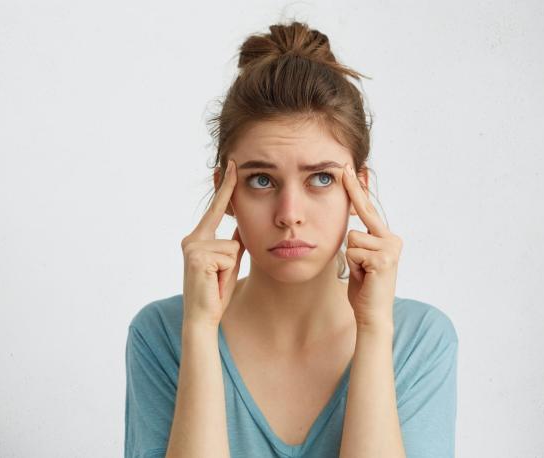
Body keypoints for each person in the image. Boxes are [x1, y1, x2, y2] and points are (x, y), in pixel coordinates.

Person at [124, 21, 458, 458]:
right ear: (225, 192)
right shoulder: (162, 334)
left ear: (358, 189)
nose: (289, 215)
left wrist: (374, 332)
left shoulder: (419, 340)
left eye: (320, 178)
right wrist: (200, 332)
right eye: (262, 180)